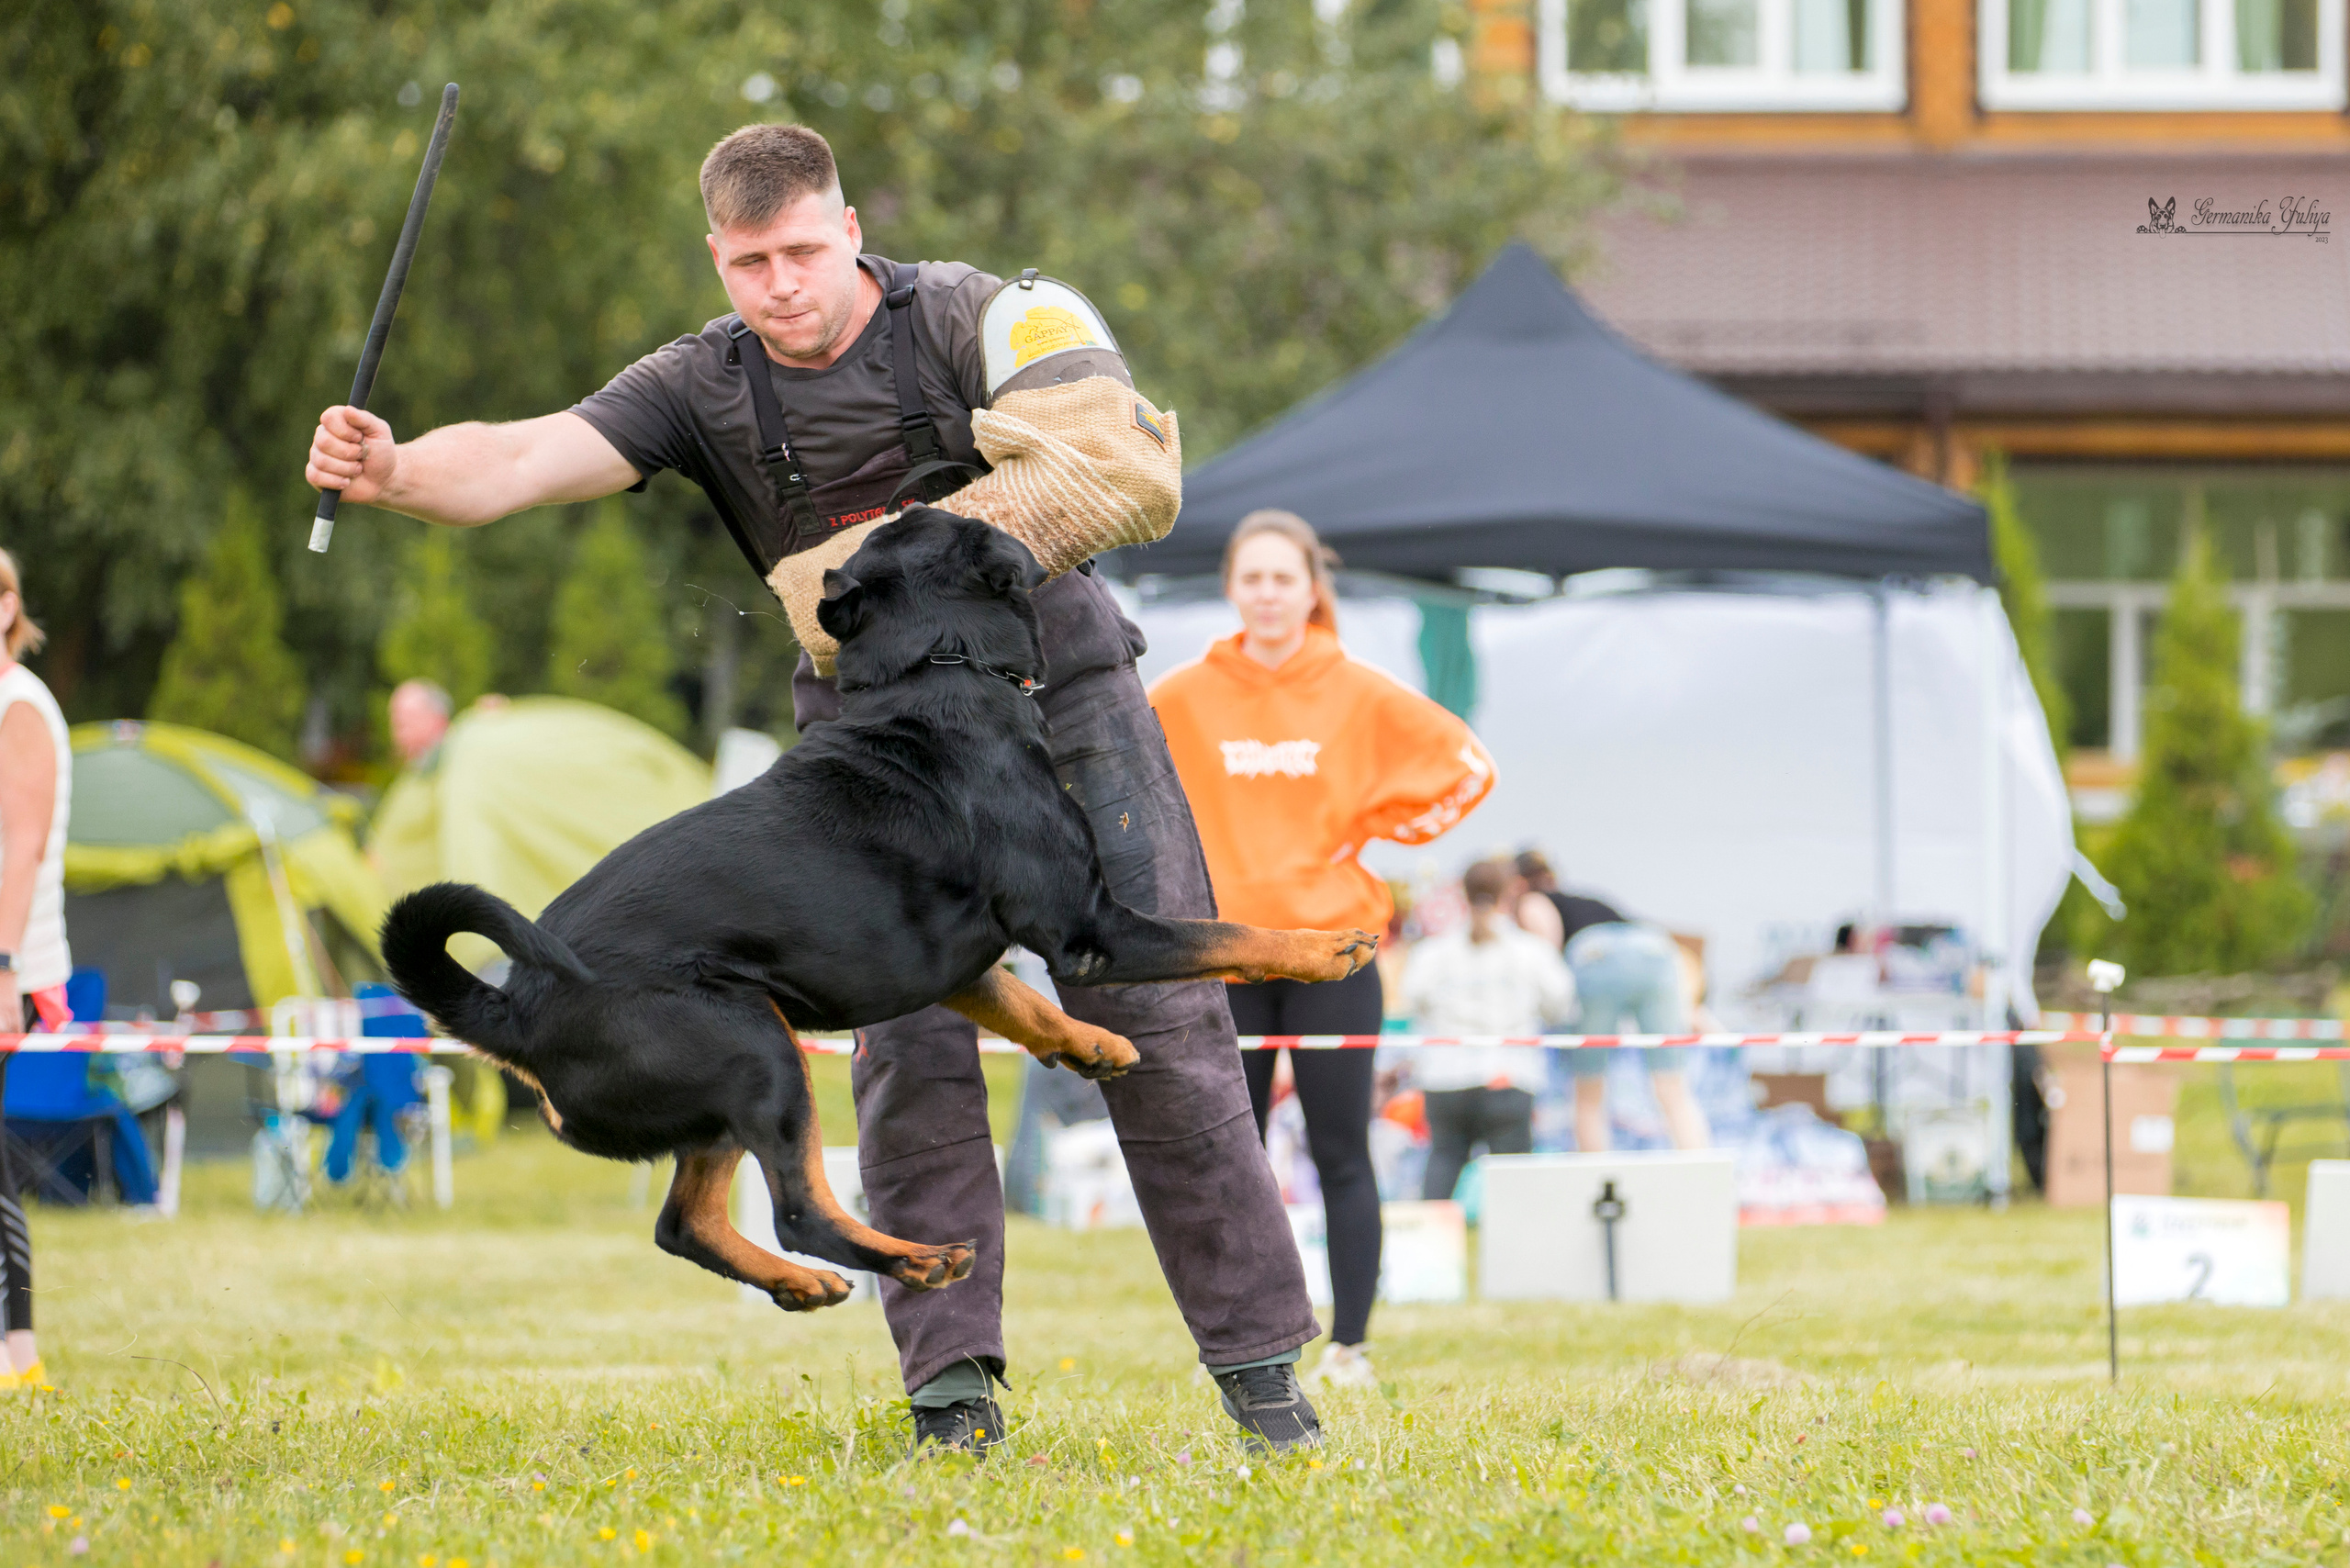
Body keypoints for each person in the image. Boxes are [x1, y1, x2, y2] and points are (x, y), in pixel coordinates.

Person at [308, 124, 1329, 1454]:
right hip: (870, 740)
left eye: (801, 251)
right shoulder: (698, 383)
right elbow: (516, 459)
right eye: (750, 264)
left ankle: (1262, 1374)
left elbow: (1114, 465)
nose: (780, 284)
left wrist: (883, 555)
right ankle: (951, 1395)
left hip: (1061, 700)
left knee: (1165, 1018)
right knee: (907, 1061)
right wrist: (394, 470)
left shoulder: (967, 315)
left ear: (849, 229)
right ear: (717, 260)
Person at [1150, 510, 1495, 1392]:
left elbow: (1467, 767)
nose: (1268, 595)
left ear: (1312, 589)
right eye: (1253, 578)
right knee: (1230, 1161)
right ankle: (1240, 1348)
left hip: (1334, 956)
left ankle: (1350, 1346)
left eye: (1284, 579)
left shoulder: (1358, 689)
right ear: (1232, 588)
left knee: (1342, 1151)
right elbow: (1119, 783)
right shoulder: (1181, 695)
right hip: (1225, 957)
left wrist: (1371, 829)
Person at [0, 548, 73, 1393]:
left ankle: (20, 1355)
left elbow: (22, 851)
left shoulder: (19, 704)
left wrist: (3, 968)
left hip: (12, 960)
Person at [1399, 860, 1575, 1205]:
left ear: (1463, 893)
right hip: (1509, 1076)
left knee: (1443, 1162)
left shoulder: (1433, 951)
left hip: (1445, 1078)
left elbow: (1413, 999)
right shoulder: (1531, 950)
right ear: (1510, 893)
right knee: (1514, 1187)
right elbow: (1560, 1005)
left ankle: (1432, 1239)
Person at [1563, 916, 1713, 1153]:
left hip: (1596, 953)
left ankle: (1595, 1170)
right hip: (1653, 948)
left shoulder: (1535, 903)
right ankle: (1699, 1165)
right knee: (1673, 1084)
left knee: (1588, 1090)